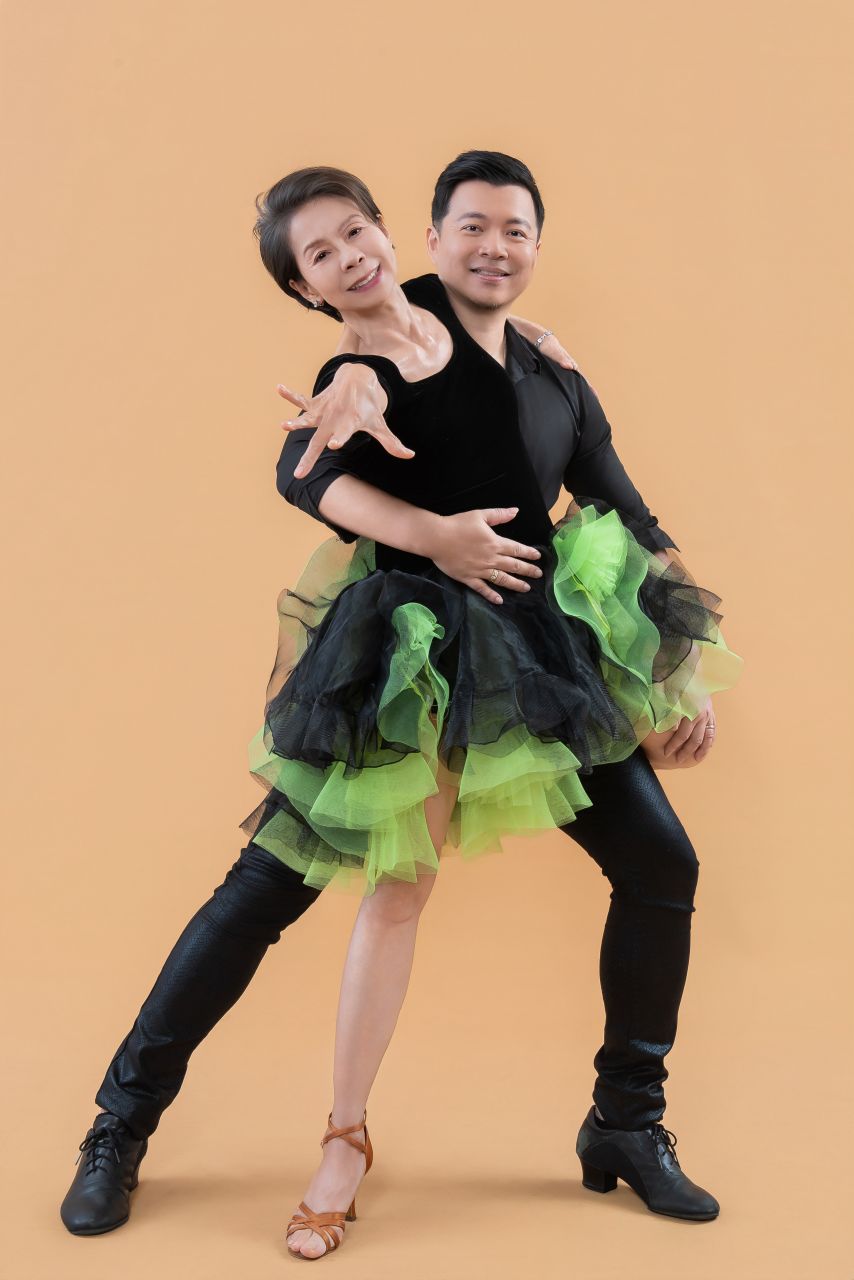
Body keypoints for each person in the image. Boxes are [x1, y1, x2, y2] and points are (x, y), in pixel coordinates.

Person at [59, 153, 741, 1255]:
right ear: (311, 286)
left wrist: (682, 664)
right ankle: (121, 1122)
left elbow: (622, 503)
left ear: (392, 231)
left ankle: (626, 1119)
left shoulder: (535, 358)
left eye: (512, 229)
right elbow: (305, 467)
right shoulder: (361, 366)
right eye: (320, 254)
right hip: (405, 657)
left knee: (662, 862)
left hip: (536, 653)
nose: (489, 247)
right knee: (268, 890)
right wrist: (424, 522)